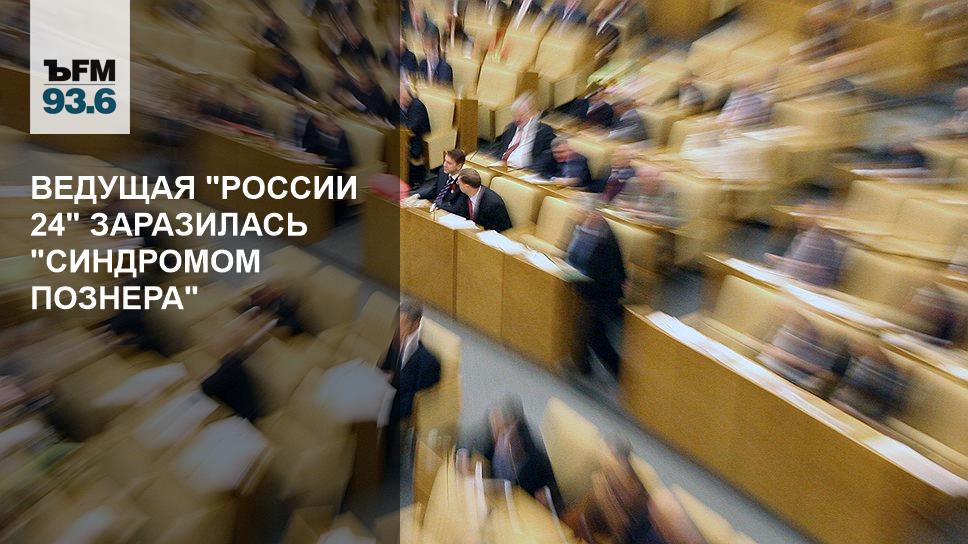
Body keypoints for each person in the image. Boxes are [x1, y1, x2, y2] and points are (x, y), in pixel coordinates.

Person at [460, 397, 563, 511]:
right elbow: (464, 444)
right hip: (489, 500)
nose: (495, 431)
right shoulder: (494, 435)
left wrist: (547, 497)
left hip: (518, 509)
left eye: (501, 426)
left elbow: (554, 496)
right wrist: (464, 458)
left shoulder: (535, 457)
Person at [563, 438, 665, 544]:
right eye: (629, 476)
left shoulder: (633, 528)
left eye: (636, 484)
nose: (625, 485)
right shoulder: (596, 482)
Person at [566, 206, 626, 378]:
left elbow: (608, 272)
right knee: (589, 331)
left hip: (602, 291)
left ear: (593, 214)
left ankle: (620, 372)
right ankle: (583, 365)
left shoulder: (604, 237)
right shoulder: (580, 227)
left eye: (582, 213)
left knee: (593, 333)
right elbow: (570, 252)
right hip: (587, 285)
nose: (577, 216)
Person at [380, 300, 442, 424]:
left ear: (416, 324)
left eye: (404, 324)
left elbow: (414, 397)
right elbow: (384, 367)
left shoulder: (428, 361)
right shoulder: (395, 342)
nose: (398, 329)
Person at [758, 313, 848, 397]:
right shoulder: (795, 328)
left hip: (799, 383)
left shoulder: (824, 338)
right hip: (782, 376)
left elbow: (824, 374)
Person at [829, 340, 907, 422]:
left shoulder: (890, 371)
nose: (855, 347)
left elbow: (884, 401)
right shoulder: (866, 361)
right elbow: (851, 383)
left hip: (869, 409)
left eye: (861, 344)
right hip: (851, 400)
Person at [765, 212, 843, 287]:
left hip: (807, 287)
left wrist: (781, 261)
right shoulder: (801, 237)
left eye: (806, 215)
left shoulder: (825, 241)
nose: (800, 219)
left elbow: (821, 272)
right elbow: (788, 268)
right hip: (788, 282)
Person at [487, 93, 556, 170]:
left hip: (522, 171)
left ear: (531, 114)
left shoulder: (543, 131)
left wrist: (530, 170)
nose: (517, 119)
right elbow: (500, 148)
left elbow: (547, 157)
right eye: (515, 116)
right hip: (501, 167)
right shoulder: (511, 127)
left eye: (521, 116)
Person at [614, 166, 680, 227]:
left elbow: (673, 221)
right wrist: (623, 205)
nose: (645, 187)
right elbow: (616, 201)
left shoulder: (669, 191)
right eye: (642, 184)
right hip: (627, 223)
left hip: (651, 230)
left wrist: (640, 213)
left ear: (658, 180)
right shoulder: (633, 183)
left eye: (652, 182)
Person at [414, 148, 467, 215]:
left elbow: (456, 208)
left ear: (459, 166)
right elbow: (435, 189)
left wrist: (431, 205)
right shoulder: (442, 171)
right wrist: (417, 195)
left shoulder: (464, 182)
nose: (444, 165)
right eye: (445, 161)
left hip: (451, 215)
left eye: (449, 163)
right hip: (436, 210)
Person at [400, 86, 432, 188]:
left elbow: (412, 128)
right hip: (410, 137)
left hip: (419, 140)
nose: (401, 102)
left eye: (402, 98)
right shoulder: (407, 105)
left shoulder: (417, 106)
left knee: (401, 149)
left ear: (408, 97)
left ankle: (410, 180)